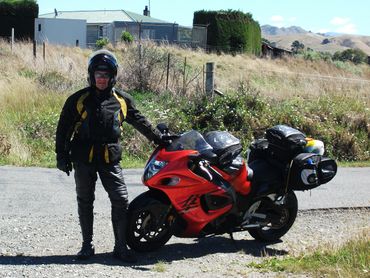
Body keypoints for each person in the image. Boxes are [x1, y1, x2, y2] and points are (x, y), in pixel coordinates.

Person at [55, 49, 164, 263]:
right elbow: (63, 128)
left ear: (112, 76)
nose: (101, 79)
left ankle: (120, 247)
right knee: (85, 201)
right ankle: (87, 246)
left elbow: (141, 122)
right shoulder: (78, 100)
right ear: (91, 75)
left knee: (121, 200)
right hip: (83, 157)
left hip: (110, 158)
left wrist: (160, 138)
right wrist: (61, 155)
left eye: (105, 75)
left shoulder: (122, 100)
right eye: (98, 74)